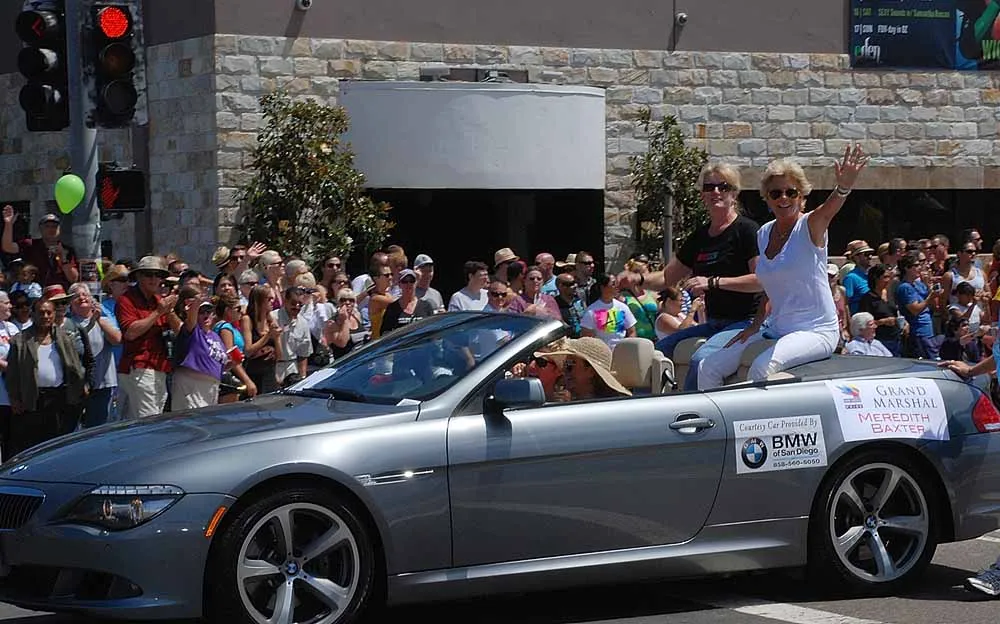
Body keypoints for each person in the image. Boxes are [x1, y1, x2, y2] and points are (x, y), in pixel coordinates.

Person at [698, 146, 869, 388]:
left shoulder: (810, 225)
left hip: (816, 331)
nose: (784, 198)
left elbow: (828, 211)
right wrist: (755, 325)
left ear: (802, 197)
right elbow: (769, 285)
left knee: (760, 367)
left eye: (791, 192)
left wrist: (843, 188)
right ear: (767, 198)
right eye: (776, 193)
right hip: (777, 328)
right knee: (708, 367)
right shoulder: (764, 233)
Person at [619, 163, 761, 390]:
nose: (715, 192)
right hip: (714, 323)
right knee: (655, 353)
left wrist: (713, 282)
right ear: (702, 194)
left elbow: (760, 281)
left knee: (700, 359)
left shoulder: (747, 230)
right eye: (709, 187)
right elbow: (668, 278)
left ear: (734, 193)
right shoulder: (700, 237)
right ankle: (644, 406)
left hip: (746, 322)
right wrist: (639, 280)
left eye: (723, 187)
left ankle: (691, 410)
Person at [580, 274, 637, 349]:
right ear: (602, 287)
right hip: (602, 353)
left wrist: (628, 348)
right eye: (613, 284)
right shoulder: (591, 311)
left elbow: (632, 331)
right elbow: (586, 337)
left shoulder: (622, 307)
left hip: (622, 352)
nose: (617, 286)